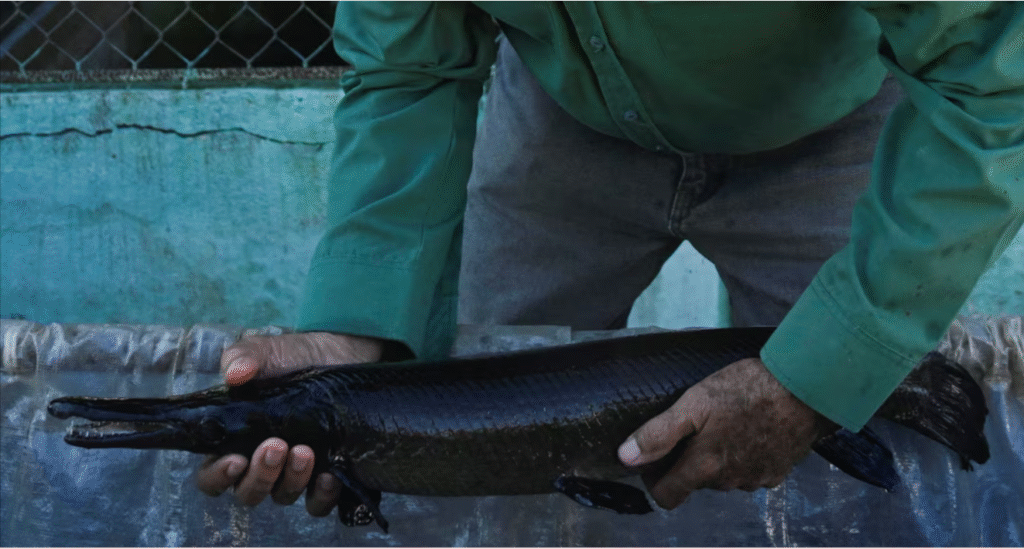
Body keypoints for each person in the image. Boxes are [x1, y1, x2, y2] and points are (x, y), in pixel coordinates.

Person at [195, 2, 1024, 517]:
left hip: (829, 126)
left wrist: (826, 365)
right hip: (563, 116)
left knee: (848, 437)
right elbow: (410, 70)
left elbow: (993, 77)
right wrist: (354, 330)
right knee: (467, 444)